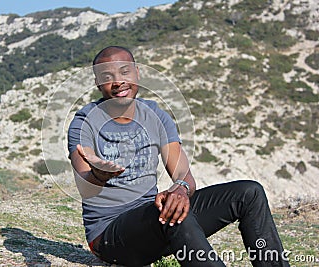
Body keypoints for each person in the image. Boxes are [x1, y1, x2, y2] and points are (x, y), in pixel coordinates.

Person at [67, 46, 290, 266]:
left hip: (155, 225)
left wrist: (181, 189)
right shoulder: (85, 122)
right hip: (110, 236)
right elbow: (86, 184)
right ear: (97, 83)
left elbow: (184, 175)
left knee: (249, 192)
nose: (118, 82)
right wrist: (98, 176)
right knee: (171, 214)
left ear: (137, 73)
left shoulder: (155, 116)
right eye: (107, 76)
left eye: (125, 72)